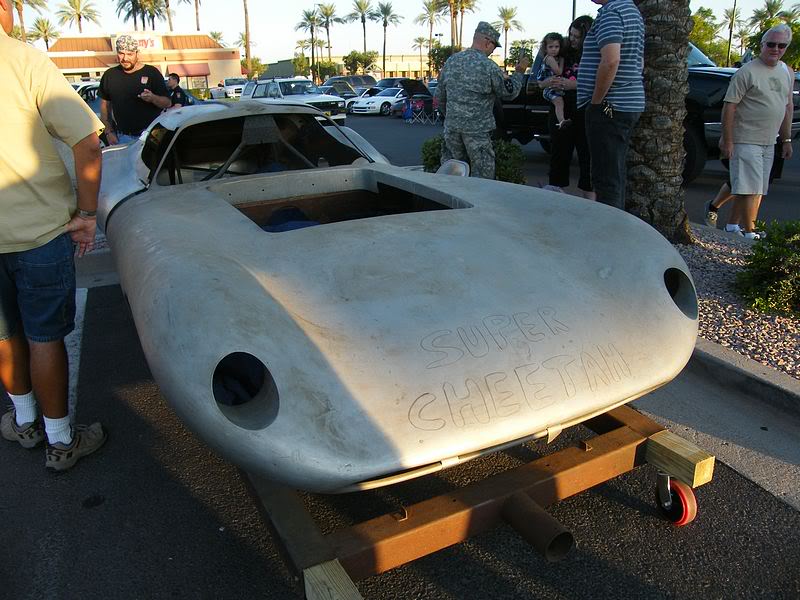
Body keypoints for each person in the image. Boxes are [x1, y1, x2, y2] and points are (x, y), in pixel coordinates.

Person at [0, 0, 107, 470]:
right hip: (40, 231)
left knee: (5, 334)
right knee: (43, 337)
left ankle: (24, 421)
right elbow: (87, 143)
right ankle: (60, 440)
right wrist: (87, 213)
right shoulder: (24, 61)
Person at [714, 24, 794, 239]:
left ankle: (732, 226)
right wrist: (728, 140)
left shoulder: (786, 71)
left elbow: (787, 106)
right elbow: (729, 106)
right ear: (762, 45)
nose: (775, 49)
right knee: (751, 188)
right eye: (771, 44)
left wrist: (786, 139)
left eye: (781, 45)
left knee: (756, 187)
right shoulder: (746, 72)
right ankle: (750, 232)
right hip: (745, 137)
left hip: (770, 140)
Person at [436, 21, 530, 179]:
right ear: (487, 42)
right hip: (477, 133)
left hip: (452, 130)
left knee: (451, 176)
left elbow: (440, 97)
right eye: (494, 46)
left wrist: (451, 117)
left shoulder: (451, 61)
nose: (493, 51)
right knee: (482, 179)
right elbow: (509, 93)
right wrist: (519, 71)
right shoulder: (489, 66)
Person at [578, 0, 645, 209]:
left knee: (606, 178)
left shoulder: (612, 13)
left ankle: (609, 227)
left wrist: (596, 101)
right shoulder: (630, 10)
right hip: (625, 102)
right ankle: (614, 223)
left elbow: (611, 60)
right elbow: (639, 62)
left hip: (610, 105)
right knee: (614, 172)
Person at [539, 16, 595, 200]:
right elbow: (541, 78)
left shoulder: (595, 53)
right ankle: (556, 195)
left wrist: (574, 85)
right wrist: (547, 82)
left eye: (577, 36)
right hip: (561, 109)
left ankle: (590, 199)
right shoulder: (560, 51)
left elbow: (601, 81)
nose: (572, 39)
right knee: (559, 154)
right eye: (571, 34)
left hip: (585, 110)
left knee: (587, 155)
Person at [99, 34, 171, 145]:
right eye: (121, 53)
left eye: (130, 54)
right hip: (123, 137)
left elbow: (167, 103)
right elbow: (104, 106)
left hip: (152, 136)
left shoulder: (152, 73)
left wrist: (153, 98)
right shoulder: (110, 75)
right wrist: (108, 132)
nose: (125, 58)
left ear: (137, 53)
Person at [537, 32, 570, 128]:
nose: (554, 49)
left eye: (556, 47)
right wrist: (562, 61)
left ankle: (562, 120)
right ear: (545, 48)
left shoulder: (553, 58)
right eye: (551, 47)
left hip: (552, 86)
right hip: (549, 88)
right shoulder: (550, 59)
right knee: (559, 102)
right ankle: (561, 121)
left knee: (560, 102)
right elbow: (558, 71)